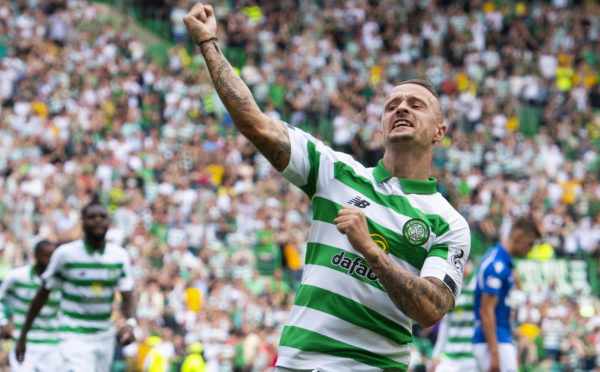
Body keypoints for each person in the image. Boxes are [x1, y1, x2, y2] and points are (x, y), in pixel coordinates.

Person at [183, 4, 471, 371]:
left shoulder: (449, 223)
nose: (401, 109)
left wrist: (371, 250)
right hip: (296, 363)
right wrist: (208, 41)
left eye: (416, 105)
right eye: (392, 105)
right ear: (382, 125)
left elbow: (430, 309)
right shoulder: (335, 172)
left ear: (439, 132)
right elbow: (256, 124)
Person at [16, 197, 137, 372]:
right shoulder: (66, 255)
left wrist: (130, 323)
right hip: (73, 337)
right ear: (83, 222)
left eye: (102, 216)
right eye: (92, 216)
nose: (97, 220)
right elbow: (42, 295)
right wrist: (23, 337)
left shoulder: (119, 256)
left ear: (108, 222)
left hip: (104, 337)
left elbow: (128, 294)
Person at [472, 217, 541, 372]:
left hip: (498, 337)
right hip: (492, 341)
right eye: (530, 244)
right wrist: (495, 353)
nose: (530, 249)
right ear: (518, 236)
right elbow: (486, 310)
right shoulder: (496, 266)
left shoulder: (504, 262)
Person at [0, 240, 62, 371]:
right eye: (46, 255)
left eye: (53, 256)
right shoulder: (17, 277)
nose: (49, 260)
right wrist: (3, 322)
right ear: (36, 255)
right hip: (24, 344)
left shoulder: (60, 281)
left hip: (52, 346)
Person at [430, 260, 477, 372]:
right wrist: (436, 356)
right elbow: (445, 325)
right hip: (450, 357)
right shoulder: (450, 285)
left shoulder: (478, 283)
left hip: (472, 357)